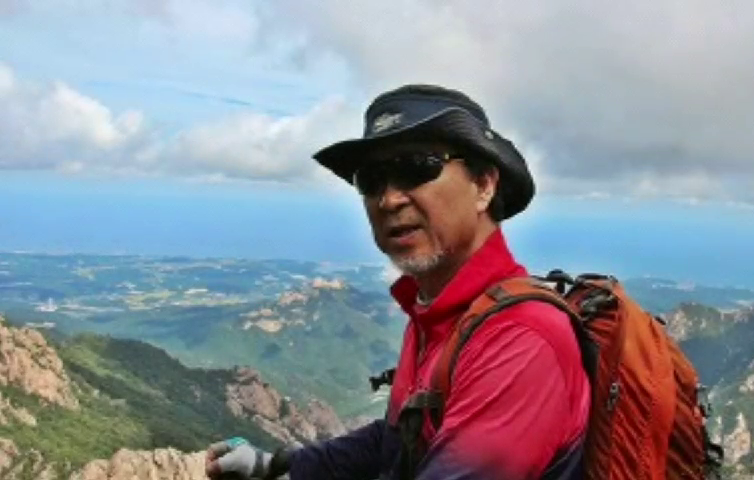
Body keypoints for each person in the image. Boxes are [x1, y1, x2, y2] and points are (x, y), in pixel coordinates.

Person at [205, 84, 591, 480]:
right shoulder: (437, 316)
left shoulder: (521, 338)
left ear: (483, 186)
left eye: (416, 167)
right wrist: (279, 465)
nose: (388, 200)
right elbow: (396, 440)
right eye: (371, 180)